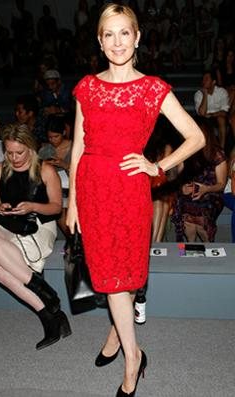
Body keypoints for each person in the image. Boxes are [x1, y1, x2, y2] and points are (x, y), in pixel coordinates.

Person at [68, 4, 204, 397]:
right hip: (92, 191)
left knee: (120, 276)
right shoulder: (87, 87)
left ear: (138, 37)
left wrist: (157, 166)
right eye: (108, 35)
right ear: (99, 41)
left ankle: (133, 357)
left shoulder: (152, 88)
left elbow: (195, 137)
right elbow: (77, 149)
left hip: (129, 192)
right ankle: (119, 330)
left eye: (124, 33)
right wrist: (74, 203)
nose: (116, 42)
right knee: (109, 276)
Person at [0, 123, 67, 349]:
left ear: (31, 149)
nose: (14, 158)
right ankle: (42, 289)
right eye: (9, 152)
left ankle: (49, 317)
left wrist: (32, 206)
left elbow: (55, 208)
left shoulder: (45, 170)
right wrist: (0, 207)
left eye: (19, 152)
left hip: (38, 225)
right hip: (7, 224)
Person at [171, 118, 227, 242]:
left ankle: (208, 247)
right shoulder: (185, 152)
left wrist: (206, 189)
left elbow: (221, 184)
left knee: (202, 222)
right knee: (188, 220)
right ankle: (190, 248)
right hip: (189, 193)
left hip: (211, 193)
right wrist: (182, 188)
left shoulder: (217, 154)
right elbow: (176, 179)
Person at [194, 70, 230, 148]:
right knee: (203, 122)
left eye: (206, 79)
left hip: (217, 116)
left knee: (221, 119)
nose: (203, 81)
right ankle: (206, 150)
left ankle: (222, 148)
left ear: (213, 82)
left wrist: (212, 114)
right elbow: (202, 114)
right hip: (204, 118)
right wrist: (205, 94)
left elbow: (225, 112)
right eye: (203, 79)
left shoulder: (222, 92)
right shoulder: (198, 94)